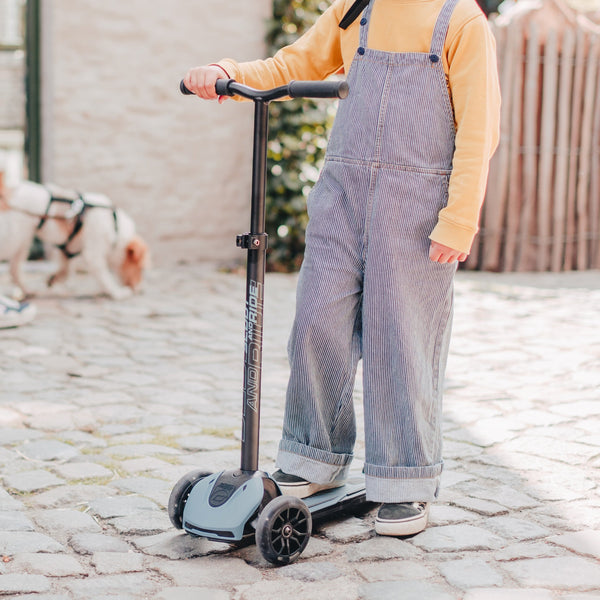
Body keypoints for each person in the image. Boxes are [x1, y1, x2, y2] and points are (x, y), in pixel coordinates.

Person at [184, 0, 501, 536]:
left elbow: (479, 127)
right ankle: (313, 458)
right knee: (315, 323)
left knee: (400, 339)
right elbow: (294, 64)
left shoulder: (460, 22)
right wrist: (228, 73)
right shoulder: (356, 11)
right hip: (343, 195)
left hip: (417, 203)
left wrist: (459, 217)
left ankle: (404, 480)